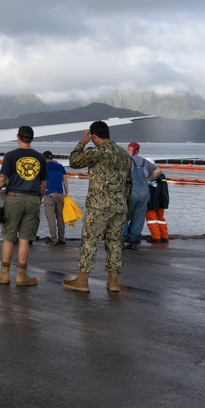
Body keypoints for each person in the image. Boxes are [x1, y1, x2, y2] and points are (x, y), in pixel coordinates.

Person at [62, 121, 133, 293]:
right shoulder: (124, 154)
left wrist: (81, 144)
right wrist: (122, 201)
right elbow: (129, 183)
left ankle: (82, 280)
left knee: (89, 241)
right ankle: (113, 281)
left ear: (93, 136)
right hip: (119, 206)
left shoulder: (98, 152)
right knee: (114, 242)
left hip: (98, 207)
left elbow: (74, 161)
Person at [0, 126, 47, 286]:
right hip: (33, 199)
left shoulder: (11, 156)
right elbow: (43, 184)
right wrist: (38, 200)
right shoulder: (40, 158)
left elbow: (1, 180)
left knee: (8, 238)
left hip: (14, 198)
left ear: (18, 137)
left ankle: (4, 274)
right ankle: (22, 276)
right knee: (25, 239)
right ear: (32, 139)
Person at [123, 141, 160, 250]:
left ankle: (121, 239)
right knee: (138, 218)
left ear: (127, 149)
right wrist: (148, 179)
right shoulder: (144, 162)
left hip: (130, 192)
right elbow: (158, 171)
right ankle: (133, 242)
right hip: (144, 193)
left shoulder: (125, 160)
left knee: (123, 216)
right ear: (138, 150)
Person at [42, 151, 69, 245]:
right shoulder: (60, 166)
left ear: (44, 158)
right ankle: (62, 238)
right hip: (60, 194)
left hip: (49, 194)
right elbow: (65, 181)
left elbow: (42, 182)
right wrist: (66, 193)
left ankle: (54, 239)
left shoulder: (44, 167)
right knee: (60, 218)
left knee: (51, 218)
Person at [146, 172, 170, 244]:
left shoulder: (149, 175)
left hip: (152, 201)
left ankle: (156, 237)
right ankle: (164, 236)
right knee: (161, 219)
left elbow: (151, 186)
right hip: (162, 201)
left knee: (151, 219)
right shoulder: (162, 175)